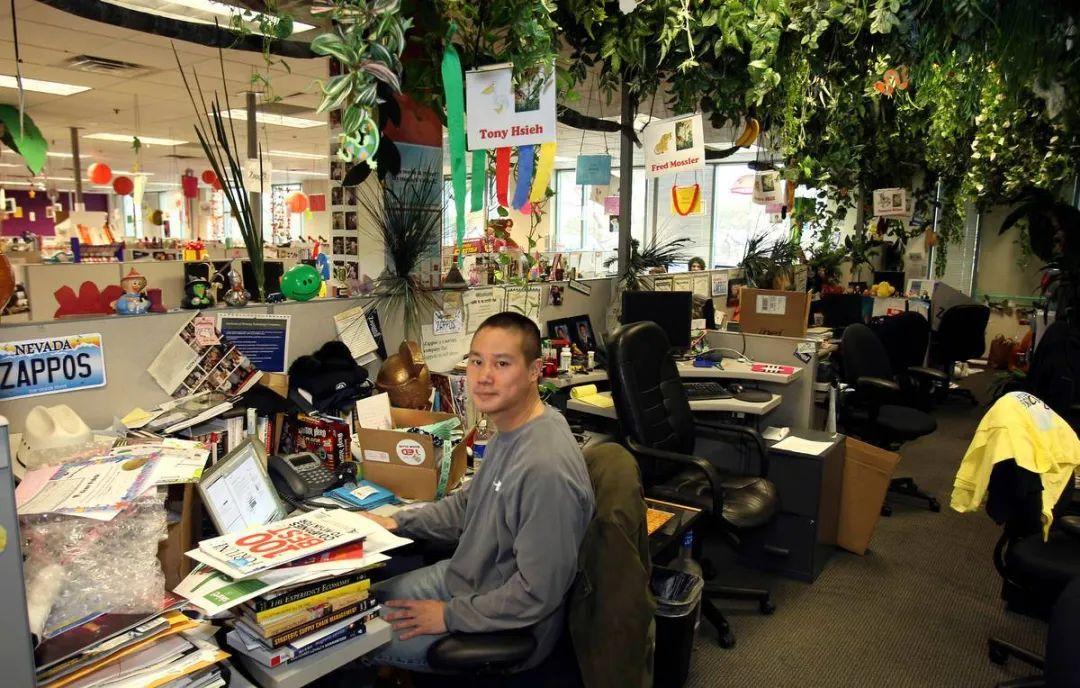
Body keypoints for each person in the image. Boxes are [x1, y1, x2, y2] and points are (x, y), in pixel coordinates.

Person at [364, 312, 596, 672]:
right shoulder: (512, 427)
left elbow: (537, 593)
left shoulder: (546, 469)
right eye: (476, 361)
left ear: (534, 371)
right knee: (350, 607)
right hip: (466, 578)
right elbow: (466, 506)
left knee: (341, 642)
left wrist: (448, 616)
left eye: (502, 363)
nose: (484, 376)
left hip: (501, 619)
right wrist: (396, 522)